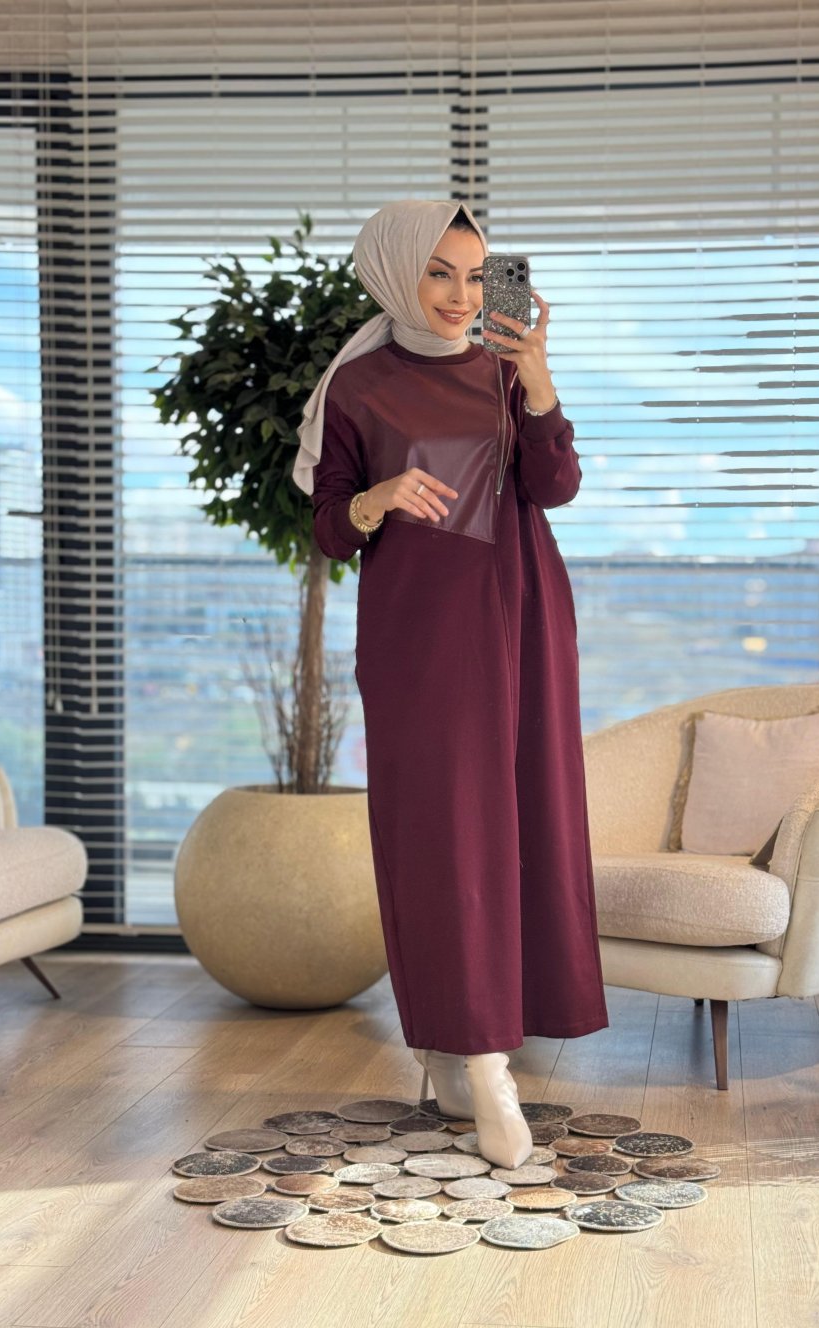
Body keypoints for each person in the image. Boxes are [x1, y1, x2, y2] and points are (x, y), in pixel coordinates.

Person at [292, 198, 609, 1169]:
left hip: (524, 623)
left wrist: (539, 380)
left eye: (476, 276)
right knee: (441, 840)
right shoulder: (359, 386)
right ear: (396, 271)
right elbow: (329, 528)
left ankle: (454, 1051)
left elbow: (554, 487)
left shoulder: (505, 371)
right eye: (440, 272)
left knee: (524, 827)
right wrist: (377, 497)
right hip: (420, 642)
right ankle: (485, 1064)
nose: (462, 296)